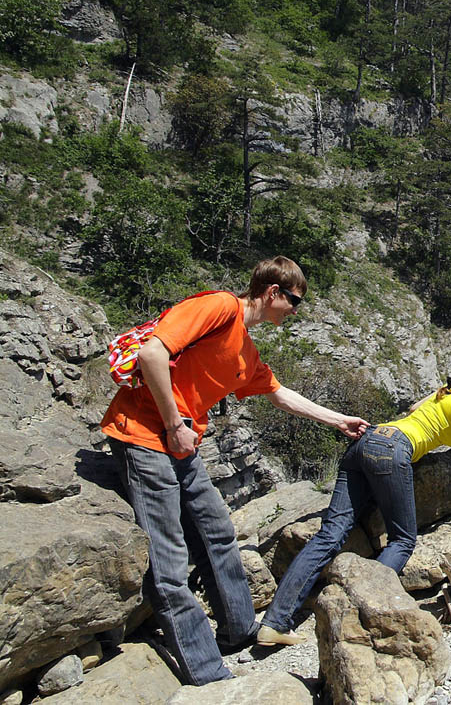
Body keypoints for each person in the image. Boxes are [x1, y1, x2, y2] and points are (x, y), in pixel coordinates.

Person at [101, 256, 368, 685]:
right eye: (294, 301)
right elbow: (153, 352)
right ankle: (207, 674)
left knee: (218, 532)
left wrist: (339, 421)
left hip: (182, 446)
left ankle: (238, 630)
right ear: (272, 292)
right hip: (145, 438)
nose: (296, 311)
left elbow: (280, 394)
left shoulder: (245, 350)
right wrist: (173, 423)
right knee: (169, 562)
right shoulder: (220, 307)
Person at [256, 347, 451, 646]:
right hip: (393, 451)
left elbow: (413, 411)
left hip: (370, 439)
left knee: (330, 535)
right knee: (402, 541)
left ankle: (275, 622)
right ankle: (353, 612)